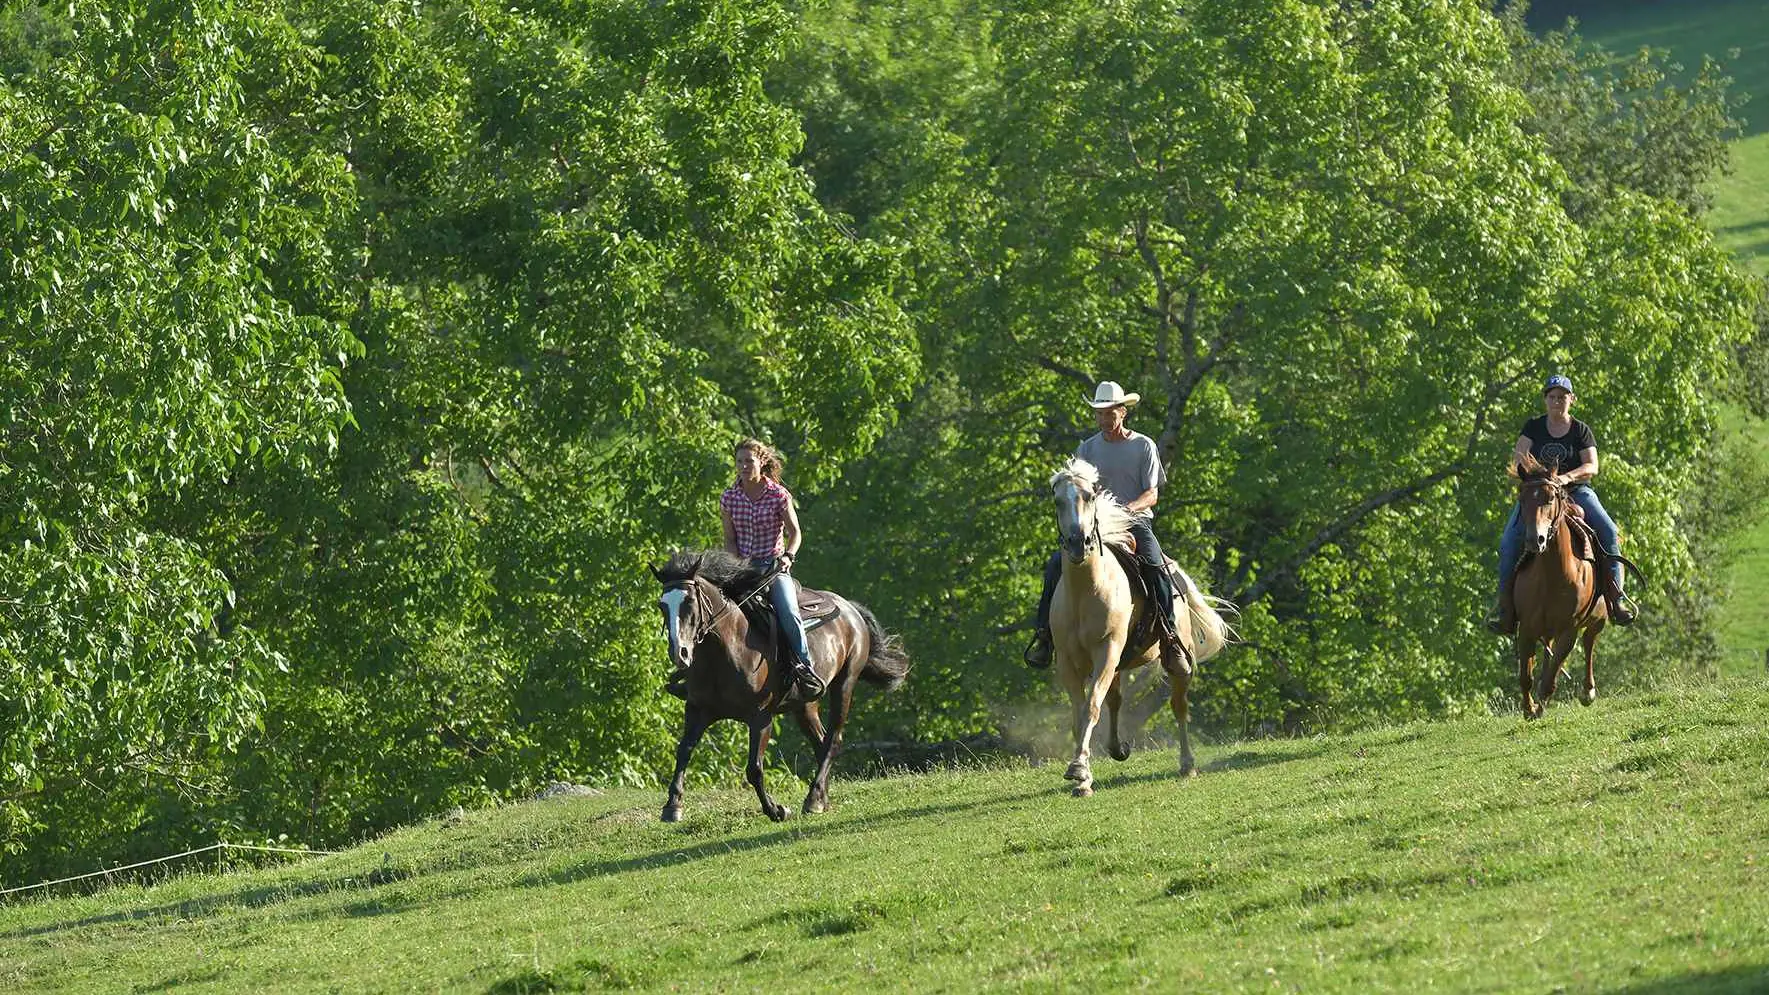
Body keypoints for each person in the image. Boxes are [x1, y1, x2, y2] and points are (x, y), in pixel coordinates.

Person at [1025, 381, 1181, 668]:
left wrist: (1127, 509)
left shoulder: (1143, 445)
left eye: (1109, 413)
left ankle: (1170, 638)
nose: (1103, 419)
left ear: (1123, 412)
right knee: (1054, 565)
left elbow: (1152, 494)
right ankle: (1045, 637)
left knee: (1155, 565)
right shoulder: (1087, 448)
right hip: (1095, 528)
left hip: (1134, 523)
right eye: (1099, 414)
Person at [1487, 374, 1636, 635]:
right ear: (1545, 400)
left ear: (1572, 400)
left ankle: (1616, 599)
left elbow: (1592, 465)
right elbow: (1519, 459)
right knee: (1509, 541)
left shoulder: (1580, 430)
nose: (1557, 401)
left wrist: (1565, 477)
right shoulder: (1533, 427)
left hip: (1577, 492)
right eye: (1552, 397)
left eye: (1563, 397)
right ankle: (1505, 608)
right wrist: (1540, 478)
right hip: (1539, 495)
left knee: (1609, 532)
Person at [720, 438, 825, 702]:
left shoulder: (779, 495)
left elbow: (795, 533)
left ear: (761, 462)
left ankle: (805, 668)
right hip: (742, 568)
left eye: (749, 461)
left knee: (788, 613)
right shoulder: (729, 497)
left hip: (773, 568)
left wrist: (789, 556)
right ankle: (698, 672)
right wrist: (734, 568)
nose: (743, 466)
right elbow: (730, 539)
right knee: (709, 608)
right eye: (739, 461)